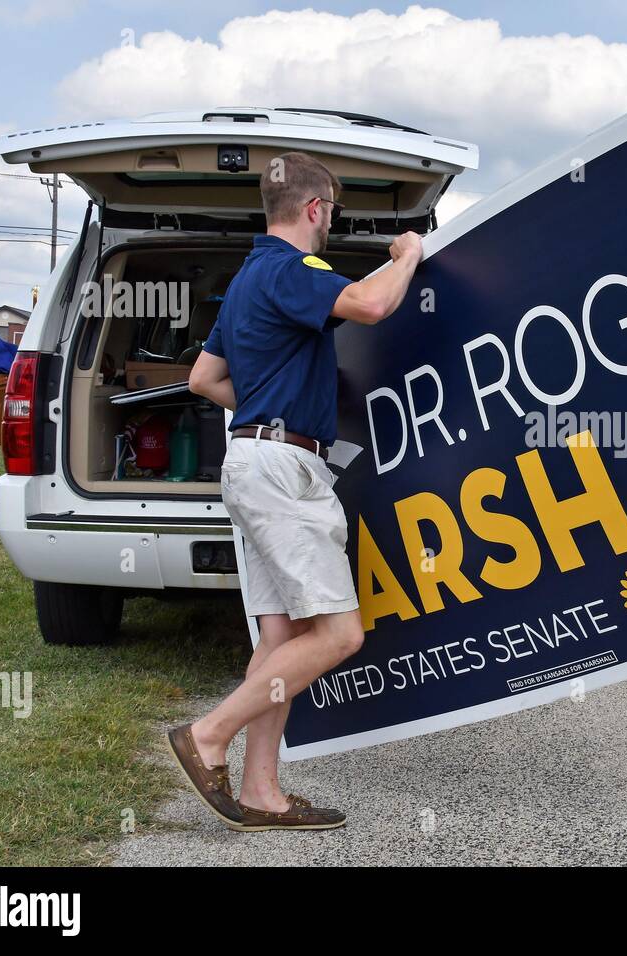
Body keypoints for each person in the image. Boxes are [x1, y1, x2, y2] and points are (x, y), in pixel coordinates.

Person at [175, 151, 424, 831]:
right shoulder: (293, 270)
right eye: (331, 212)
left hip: (255, 462)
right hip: (284, 472)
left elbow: (203, 379)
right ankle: (207, 734)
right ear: (316, 209)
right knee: (340, 632)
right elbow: (371, 303)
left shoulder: (249, 278)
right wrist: (407, 253)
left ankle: (261, 791)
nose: (329, 223)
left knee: (280, 636)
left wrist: (261, 412)